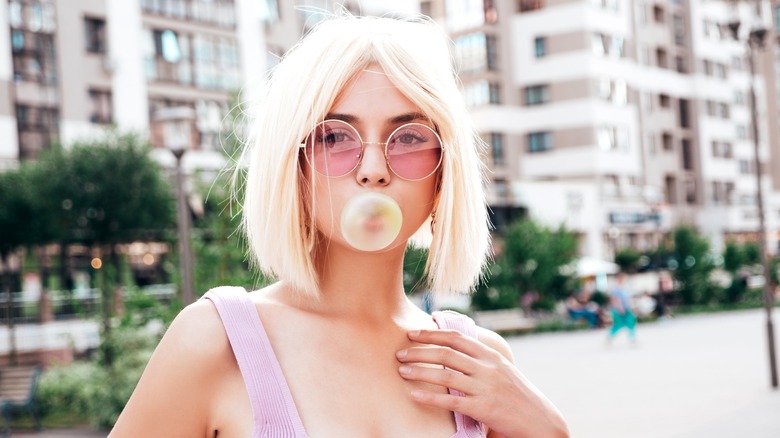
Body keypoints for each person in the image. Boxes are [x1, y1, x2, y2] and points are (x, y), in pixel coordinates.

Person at [110, 13, 568, 438]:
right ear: (294, 164)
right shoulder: (215, 341)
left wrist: (549, 430)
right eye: (334, 136)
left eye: (408, 137)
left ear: (445, 171)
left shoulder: (474, 361)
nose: (373, 168)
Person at [607, 273, 637, 343]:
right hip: (619, 309)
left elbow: (629, 298)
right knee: (618, 324)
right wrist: (620, 307)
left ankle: (632, 337)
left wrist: (631, 306)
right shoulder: (616, 288)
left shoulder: (625, 287)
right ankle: (610, 336)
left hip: (626, 308)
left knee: (630, 322)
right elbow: (616, 299)